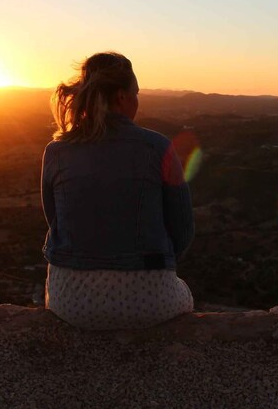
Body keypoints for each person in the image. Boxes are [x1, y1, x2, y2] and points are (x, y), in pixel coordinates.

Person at [41, 52, 195, 330]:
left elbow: (55, 222)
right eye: (136, 93)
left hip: (71, 302)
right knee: (184, 292)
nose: (138, 100)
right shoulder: (157, 147)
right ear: (122, 97)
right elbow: (182, 230)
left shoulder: (56, 152)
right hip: (150, 301)